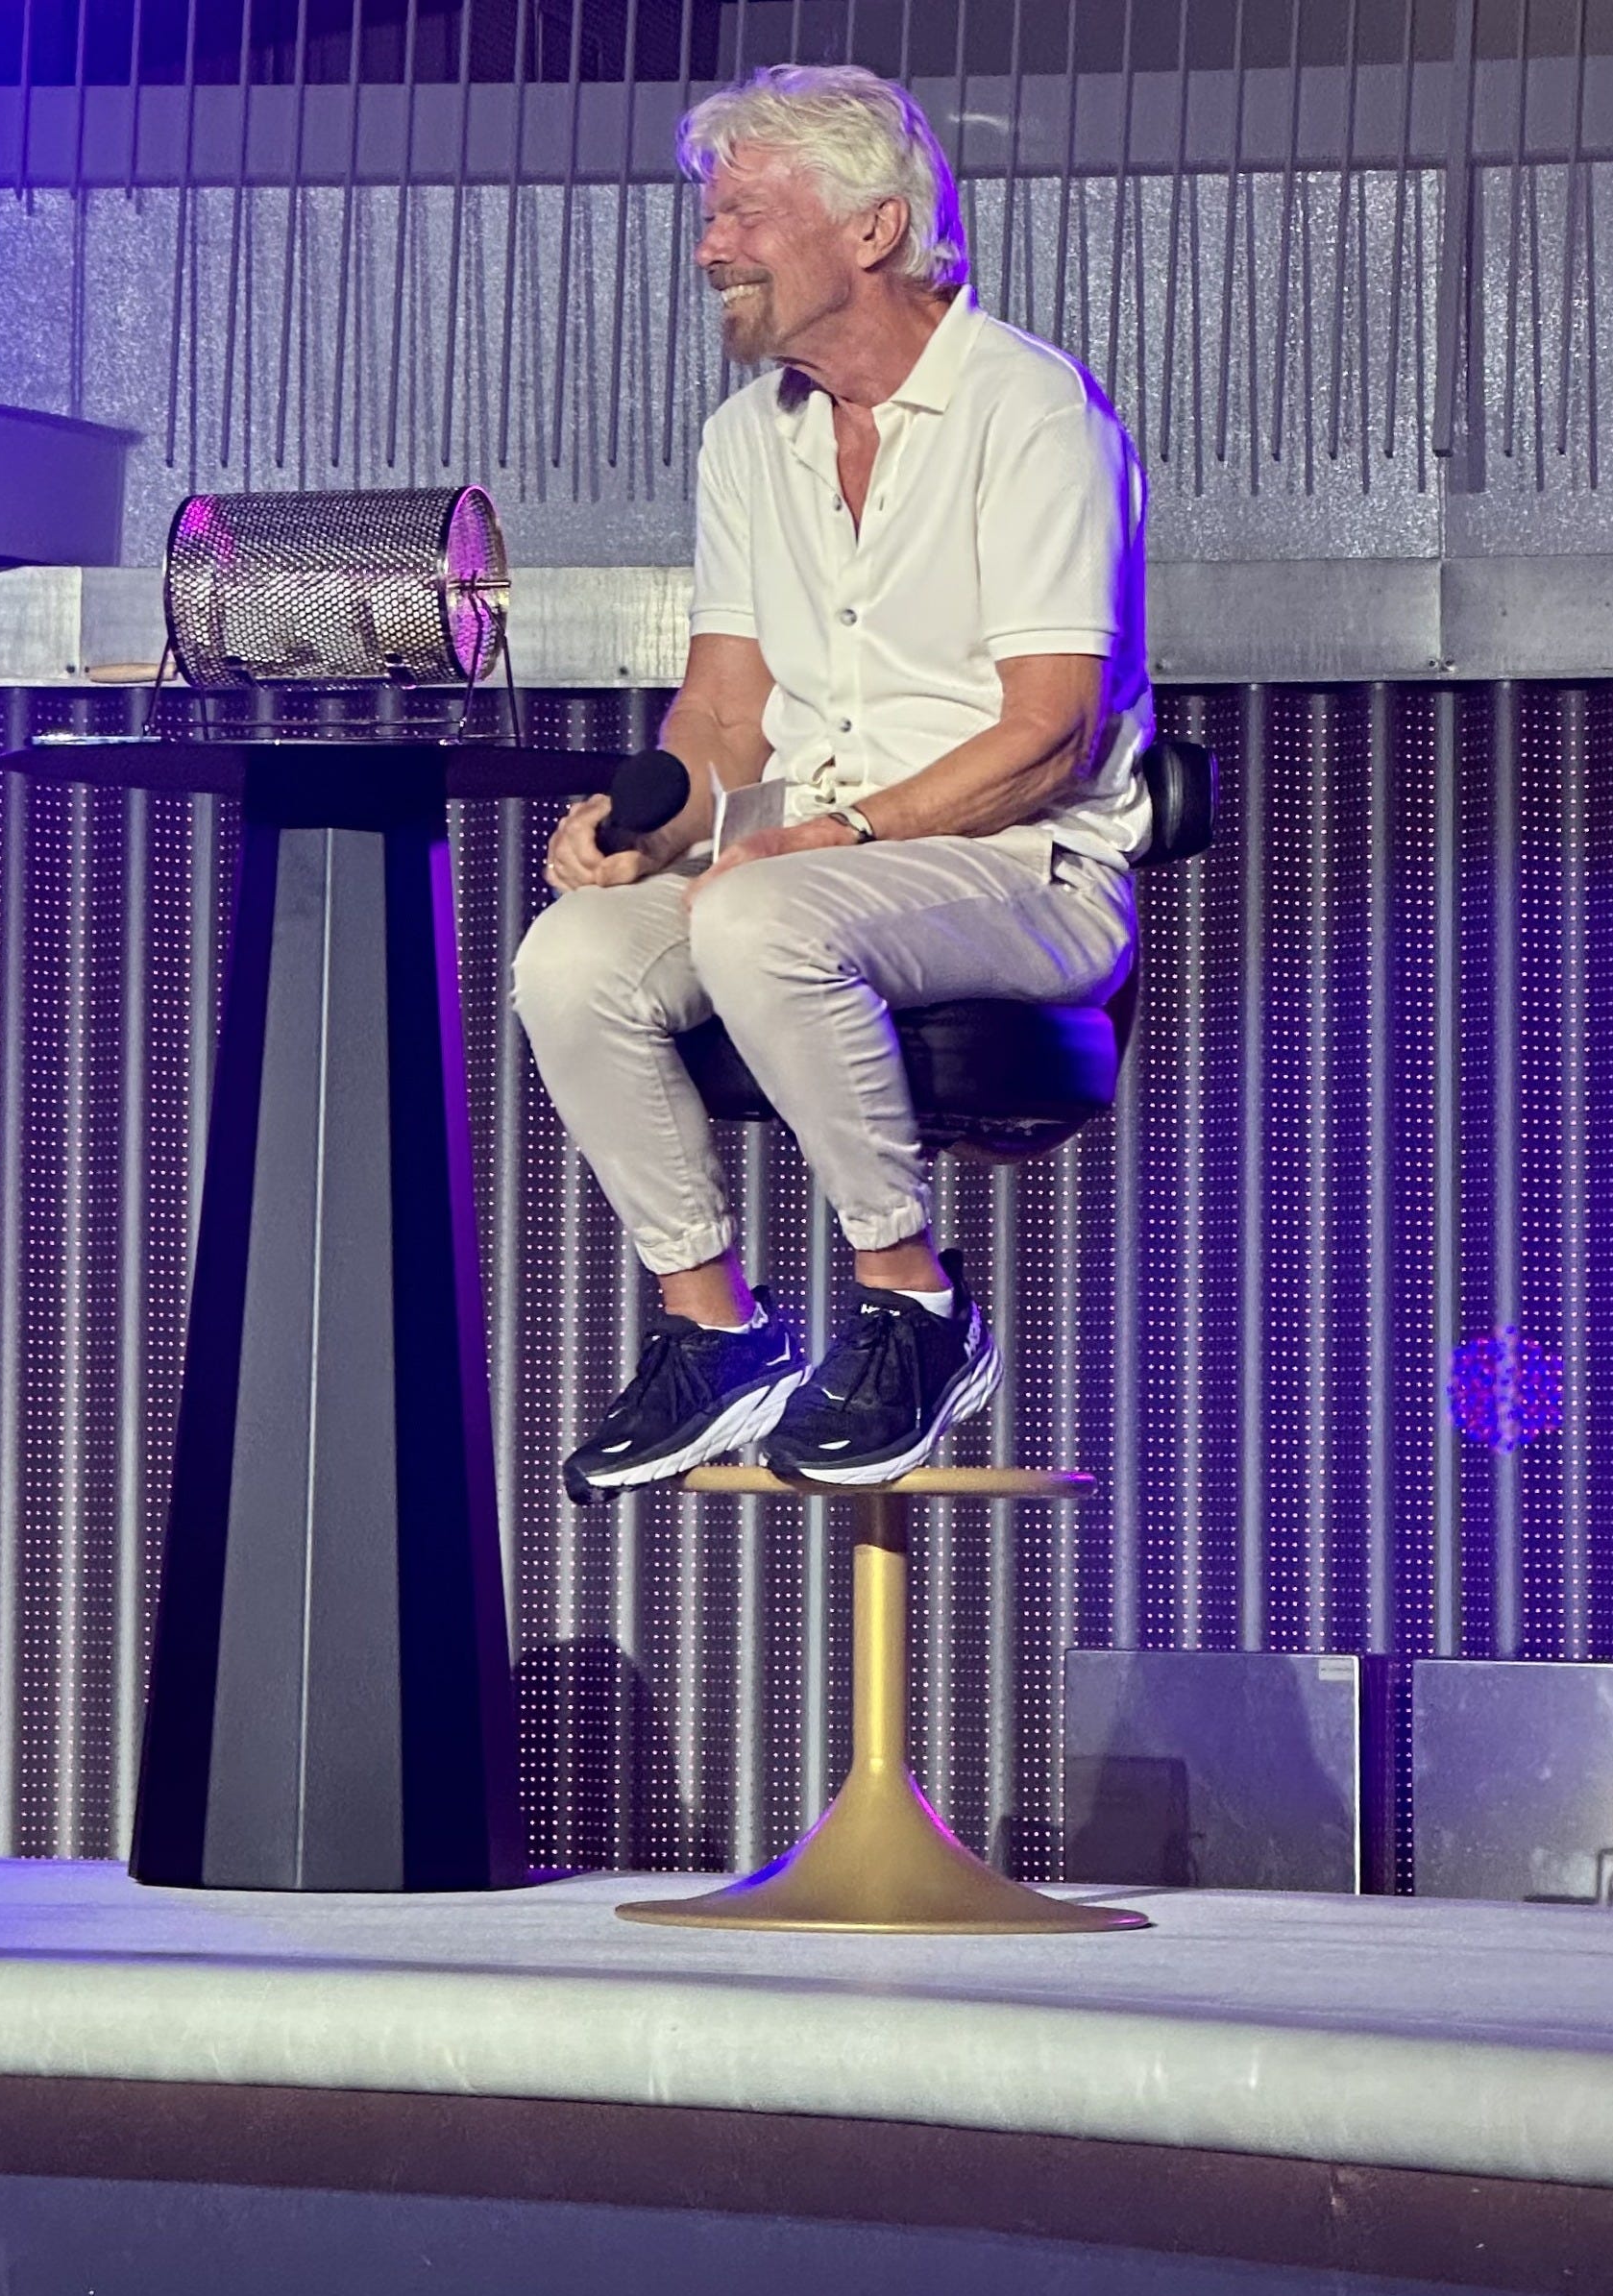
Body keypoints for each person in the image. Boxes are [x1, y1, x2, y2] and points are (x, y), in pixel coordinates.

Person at [515, 62, 1150, 1497]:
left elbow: (1049, 730)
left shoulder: (1030, 411)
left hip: (1025, 871)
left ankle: (917, 1305)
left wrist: (827, 838)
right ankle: (717, 1328)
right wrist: (651, 826)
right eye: (710, 217)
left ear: (872, 229)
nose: (710, 248)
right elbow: (727, 714)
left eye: (743, 214)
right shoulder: (749, 440)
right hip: (810, 865)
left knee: (760, 915)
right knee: (571, 955)